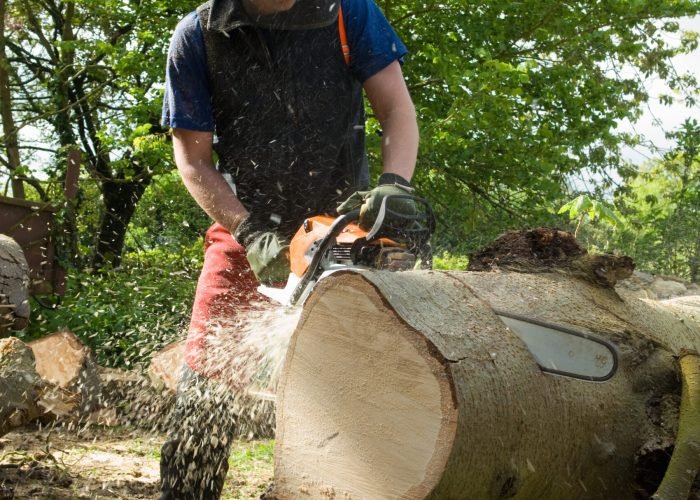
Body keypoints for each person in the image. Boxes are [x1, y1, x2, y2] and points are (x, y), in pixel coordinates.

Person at [159, 0, 419, 497]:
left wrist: (393, 185)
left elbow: (396, 109)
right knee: (206, 391)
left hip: (342, 225)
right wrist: (248, 229)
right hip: (246, 228)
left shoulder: (351, 13)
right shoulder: (199, 34)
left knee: (365, 385)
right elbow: (193, 160)